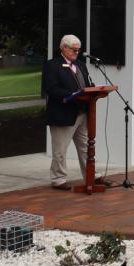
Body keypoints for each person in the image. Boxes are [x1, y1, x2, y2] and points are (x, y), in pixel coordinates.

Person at [42, 34, 93, 190]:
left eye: (78, 50)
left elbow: (88, 83)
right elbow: (51, 88)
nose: (76, 52)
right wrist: (72, 95)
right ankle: (58, 179)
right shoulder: (53, 65)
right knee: (60, 149)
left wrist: (92, 91)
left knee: (86, 147)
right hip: (63, 112)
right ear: (64, 48)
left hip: (82, 112)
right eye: (73, 49)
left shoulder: (81, 64)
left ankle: (91, 176)